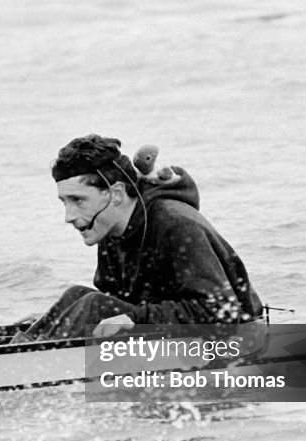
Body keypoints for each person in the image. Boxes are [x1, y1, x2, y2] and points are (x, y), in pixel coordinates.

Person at [17, 134, 262, 341]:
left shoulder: (176, 224)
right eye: (65, 202)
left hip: (236, 338)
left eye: (78, 200)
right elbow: (114, 299)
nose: (69, 216)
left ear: (116, 194)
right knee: (77, 296)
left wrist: (136, 319)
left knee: (92, 304)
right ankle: (28, 344)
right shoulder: (110, 228)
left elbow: (221, 311)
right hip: (172, 333)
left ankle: (25, 363)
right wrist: (55, 321)